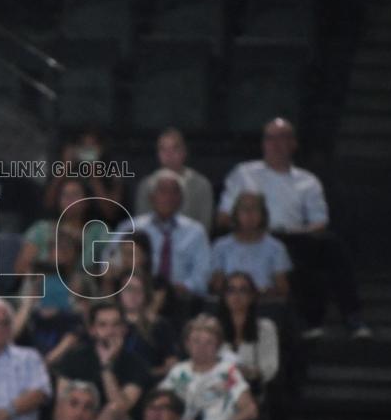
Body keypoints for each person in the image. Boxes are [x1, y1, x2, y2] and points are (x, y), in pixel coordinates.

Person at [217, 118, 371, 339]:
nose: (275, 144)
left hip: (294, 237)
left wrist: (299, 233)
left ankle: (351, 318)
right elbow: (223, 216)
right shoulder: (243, 173)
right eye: (270, 138)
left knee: (331, 246)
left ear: (293, 144)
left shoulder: (308, 181)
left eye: (282, 138)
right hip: (251, 234)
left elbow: (319, 222)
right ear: (263, 143)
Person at [159, 315, 259, 420]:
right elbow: (159, 404)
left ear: (218, 346)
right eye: (196, 341)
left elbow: (250, 411)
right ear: (187, 344)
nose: (201, 347)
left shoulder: (227, 372)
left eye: (209, 342)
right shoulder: (179, 372)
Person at [49, 303, 151, 420]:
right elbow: (62, 402)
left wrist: (106, 366)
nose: (110, 331)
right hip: (82, 419)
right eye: (103, 325)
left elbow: (122, 407)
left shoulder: (136, 363)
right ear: (92, 330)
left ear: (124, 329)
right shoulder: (73, 358)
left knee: (112, 410)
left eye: (116, 325)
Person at [122, 169, 212, 299]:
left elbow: (203, 274)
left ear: (181, 199)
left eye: (174, 192)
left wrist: (183, 287)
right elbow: (108, 261)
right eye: (162, 191)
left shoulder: (196, 232)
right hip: (138, 296)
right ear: (151, 197)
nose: (168, 197)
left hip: (182, 299)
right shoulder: (131, 227)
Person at [210, 191, 291, 298]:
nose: (249, 214)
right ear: (236, 214)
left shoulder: (276, 248)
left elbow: (282, 288)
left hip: (264, 301)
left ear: (263, 214)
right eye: (244, 209)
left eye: (254, 209)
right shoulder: (220, 246)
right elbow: (217, 286)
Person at [134, 128, 215, 233]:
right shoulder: (146, 185)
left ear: (184, 152)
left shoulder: (202, 185)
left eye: (175, 149)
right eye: (163, 149)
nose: (169, 154)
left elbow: (204, 227)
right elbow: (141, 226)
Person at [216, 272, 280, 390]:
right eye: (231, 290)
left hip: (251, 388)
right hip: (216, 388)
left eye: (243, 290)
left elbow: (270, 367)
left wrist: (248, 373)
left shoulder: (265, 328)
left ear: (252, 296)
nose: (236, 295)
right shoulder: (214, 327)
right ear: (224, 296)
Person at [116, 270, 180, 379]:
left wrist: (144, 376)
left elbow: (171, 364)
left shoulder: (160, 326)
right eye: (128, 289)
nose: (133, 295)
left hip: (150, 381)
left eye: (139, 290)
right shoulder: (109, 323)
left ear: (146, 294)